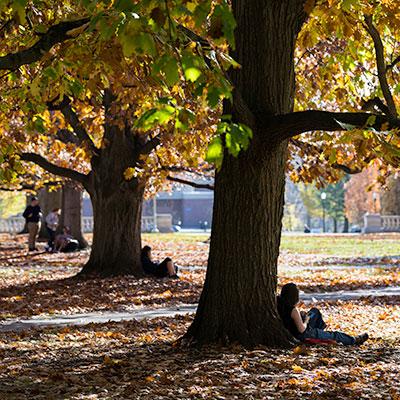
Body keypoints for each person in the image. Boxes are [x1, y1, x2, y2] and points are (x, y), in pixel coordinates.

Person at [277, 283, 369, 345]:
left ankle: (320, 333)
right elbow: (302, 329)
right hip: (303, 334)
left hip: (294, 329)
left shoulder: (278, 304)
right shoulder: (293, 310)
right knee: (335, 335)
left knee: (314, 311)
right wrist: (305, 321)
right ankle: (353, 340)